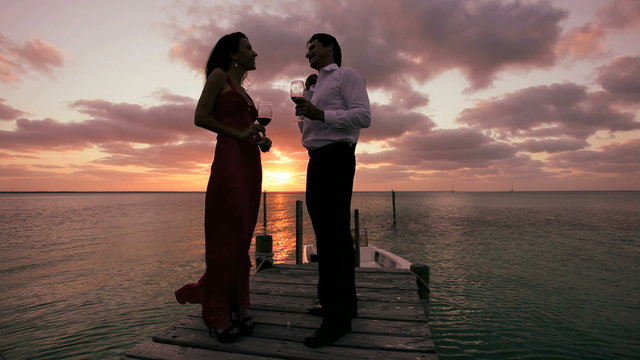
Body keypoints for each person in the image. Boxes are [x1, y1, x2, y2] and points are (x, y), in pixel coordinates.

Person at [174, 32, 271, 344]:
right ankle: (214, 310)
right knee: (225, 236)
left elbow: (245, 128)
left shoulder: (241, 88)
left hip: (249, 161)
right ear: (233, 54)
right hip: (229, 159)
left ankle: (238, 303)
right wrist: (240, 134)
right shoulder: (219, 77)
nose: (255, 53)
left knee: (242, 235)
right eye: (249, 48)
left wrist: (258, 138)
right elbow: (200, 117)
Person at [294, 33, 371, 348]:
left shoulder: (346, 75)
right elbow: (306, 129)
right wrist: (309, 105)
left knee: (335, 235)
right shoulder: (316, 85)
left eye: (313, 46)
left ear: (329, 48)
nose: (308, 52)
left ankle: (337, 321)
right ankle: (338, 305)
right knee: (326, 236)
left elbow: (364, 116)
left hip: (337, 157)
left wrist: (321, 114)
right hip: (316, 160)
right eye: (307, 48)